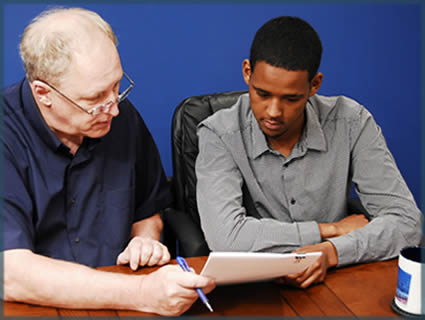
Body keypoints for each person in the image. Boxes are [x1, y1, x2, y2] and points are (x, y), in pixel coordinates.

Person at [2, 7, 214, 316]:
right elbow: (11, 273)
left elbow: (148, 211)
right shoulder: (7, 136)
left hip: (124, 301)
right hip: (36, 307)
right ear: (43, 93)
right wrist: (142, 292)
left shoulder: (120, 117)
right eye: (94, 99)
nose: (113, 109)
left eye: (117, 86)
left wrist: (145, 240)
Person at [196, 16, 422, 288]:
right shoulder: (218, 133)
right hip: (256, 287)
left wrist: (333, 252)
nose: (273, 112)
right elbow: (226, 238)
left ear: (314, 85)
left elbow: (408, 223)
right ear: (247, 71)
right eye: (263, 93)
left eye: (291, 99)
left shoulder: (352, 122)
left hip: (337, 276)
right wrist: (329, 231)